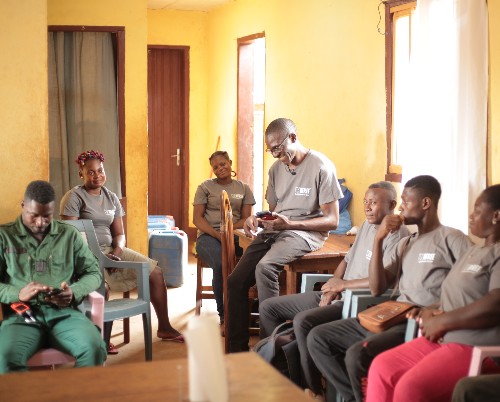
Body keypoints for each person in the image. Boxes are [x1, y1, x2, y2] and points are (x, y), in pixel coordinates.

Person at [307, 175, 472, 402]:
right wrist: (378, 240)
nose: (400, 208)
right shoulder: (407, 242)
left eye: (405, 201)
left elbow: (472, 280)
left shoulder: (451, 238)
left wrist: (441, 307)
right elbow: (376, 288)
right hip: (393, 314)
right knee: (318, 338)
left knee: (357, 355)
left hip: (421, 319)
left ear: (425, 203)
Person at [258, 181, 410, 396]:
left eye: (373, 203)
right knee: (268, 308)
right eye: (365, 202)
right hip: (339, 293)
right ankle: (291, 377)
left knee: (303, 322)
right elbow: (346, 261)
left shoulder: (398, 236)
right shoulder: (367, 226)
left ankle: (312, 389)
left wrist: (343, 285)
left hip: (358, 300)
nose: (366, 207)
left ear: (392, 204)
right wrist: (332, 287)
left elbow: (382, 282)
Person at [366, 184, 500, 402]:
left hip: (473, 343)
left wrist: (444, 321)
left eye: (477, 210)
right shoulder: (475, 251)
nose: (471, 215)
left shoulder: (492, 252)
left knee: (411, 388)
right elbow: (452, 294)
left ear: (496, 215)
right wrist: (431, 311)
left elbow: (495, 304)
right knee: (382, 368)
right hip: (443, 335)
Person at [227, 117, 343, 353]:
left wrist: (292, 224)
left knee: (265, 267)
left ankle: (270, 349)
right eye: (270, 150)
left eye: (278, 148)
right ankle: (237, 351)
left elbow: (333, 220)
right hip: (277, 230)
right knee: (235, 281)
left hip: (305, 232)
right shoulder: (276, 169)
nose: (275, 155)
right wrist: (256, 218)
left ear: (292, 137)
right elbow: (274, 210)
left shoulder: (321, 166)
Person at [60, 150, 183, 352]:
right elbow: (71, 237)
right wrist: (96, 256)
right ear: (81, 173)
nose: (97, 175)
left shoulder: (111, 198)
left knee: (154, 272)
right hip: (83, 255)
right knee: (101, 287)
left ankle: (165, 327)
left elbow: (119, 234)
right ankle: (98, 338)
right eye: (90, 172)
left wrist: (117, 252)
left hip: (111, 250)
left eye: (100, 170)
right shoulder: (74, 197)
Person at [0, 180, 106, 373]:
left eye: (46, 216)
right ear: (23, 205)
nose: (40, 223)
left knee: (94, 348)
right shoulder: (4, 236)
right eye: (34, 216)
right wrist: (18, 293)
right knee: (6, 358)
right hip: (21, 315)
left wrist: (73, 292)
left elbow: (93, 273)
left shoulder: (69, 235)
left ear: (54, 210)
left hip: (64, 314)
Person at [193, 151, 255, 324]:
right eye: (215, 167)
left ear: (230, 162)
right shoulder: (205, 187)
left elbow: (245, 219)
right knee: (221, 264)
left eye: (223, 164)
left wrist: (228, 230)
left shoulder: (243, 188)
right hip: (208, 236)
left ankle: (250, 305)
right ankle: (224, 315)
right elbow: (197, 218)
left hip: (234, 233)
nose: (220, 169)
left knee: (254, 257)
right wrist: (218, 234)